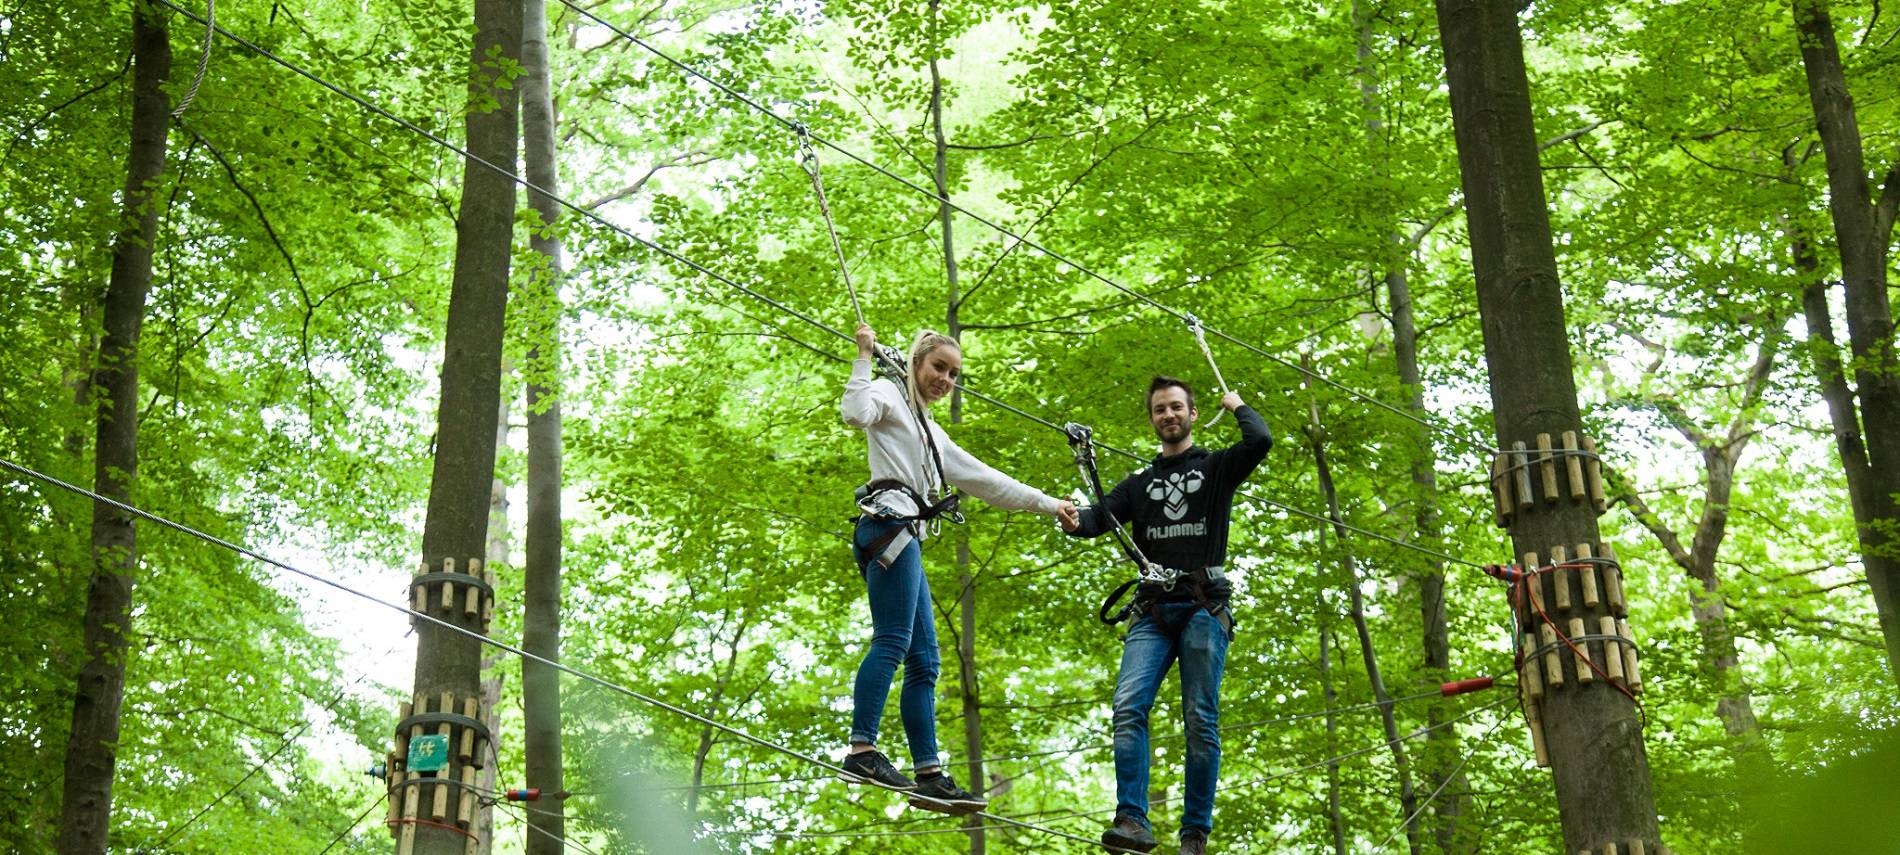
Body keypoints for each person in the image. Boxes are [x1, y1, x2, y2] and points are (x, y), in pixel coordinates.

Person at [838, 322, 1079, 813]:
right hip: (888, 525)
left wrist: (1049, 504)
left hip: (906, 536)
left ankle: (929, 774)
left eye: (952, 374)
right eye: (937, 368)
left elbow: (989, 481)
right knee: (893, 641)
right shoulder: (886, 391)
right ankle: (862, 749)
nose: (945, 380)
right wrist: (863, 358)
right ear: (915, 365)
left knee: (926, 661)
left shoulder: (933, 433)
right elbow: (853, 412)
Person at [1060, 376, 1271, 855]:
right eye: (1160, 409)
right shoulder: (1140, 483)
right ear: (1153, 419)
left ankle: (1194, 833)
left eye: (1176, 407)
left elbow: (1259, 440)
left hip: (1202, 604)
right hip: (1153, 610)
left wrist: (1237, 404)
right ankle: (1131, 820)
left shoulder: (1217, 468)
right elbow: (1100, 519)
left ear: (1193, 414)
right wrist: (1073, 519)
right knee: (1127, 707)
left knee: (1200, 717)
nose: (1168, 415)